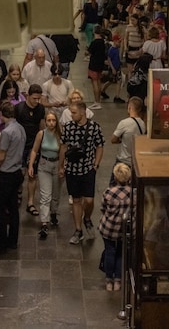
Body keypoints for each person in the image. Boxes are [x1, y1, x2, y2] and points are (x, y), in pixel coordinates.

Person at [0, 102, 26, 257]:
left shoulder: (7, 132)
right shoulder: (20, 128)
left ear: (2, 114)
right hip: (17, 172)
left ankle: (1, 243)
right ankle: (12, 240)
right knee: (13, 207)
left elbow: (1, 156)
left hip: (7, 174)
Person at [59, 101, 105, 245]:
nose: (71, 115)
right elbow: (63, 147)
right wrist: (61, 166)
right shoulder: (68, 127)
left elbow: (100, 145)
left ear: (83, 112)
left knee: (89, 200)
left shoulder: (94, 127)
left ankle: (87, 217)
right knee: (76, 200)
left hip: (87, 169)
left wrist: (96, 164)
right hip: (72, 169)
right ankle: (78, 229)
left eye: (74, 113)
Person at [27, 111, 63, 241]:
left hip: (57, 164)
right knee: (45, 195)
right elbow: (35, 150)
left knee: (56, 194)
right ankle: (44, 222)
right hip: (44, 164)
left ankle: (53, 213)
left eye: (53, 120)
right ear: (45, 121)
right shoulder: (41, 134)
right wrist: (31, 165)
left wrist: (62, 166)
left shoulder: (60, 135)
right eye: (49, 120)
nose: (51, 123)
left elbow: (64, 152)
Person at [98, 163, 132, 292]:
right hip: (125, 229)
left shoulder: (109, 192)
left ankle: (109, 281)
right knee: (121, 253)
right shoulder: (132, 193)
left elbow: (103, 209)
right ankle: (118, 279)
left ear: (116, 177)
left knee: (109, 252)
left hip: (109, 228)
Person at [15, 84, 45, 217]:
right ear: (28, 95)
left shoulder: (40, 109)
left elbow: (42, 126)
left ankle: (31, 202)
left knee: (33, 175)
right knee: (20, 173)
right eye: (34, 98)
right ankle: (18, 192)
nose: (37, 101)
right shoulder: (19, 108)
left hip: (34, 145)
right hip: (21, 145)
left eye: (39, 99)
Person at [110, 96, 146, 186]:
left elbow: (113, 139)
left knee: (114, 186)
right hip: (134, 162)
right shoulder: (142, 124)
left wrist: (120, 140)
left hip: (123, 161)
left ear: (129, 107)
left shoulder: (124, 123)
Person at [86, 28, 108, 109]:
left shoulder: (94, 42)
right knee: (98, 82)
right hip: (100, 64)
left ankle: (96, 101)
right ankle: (98, 101)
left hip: (93, 64)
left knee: (94, 82)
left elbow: (88, 52)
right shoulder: (103, 42)